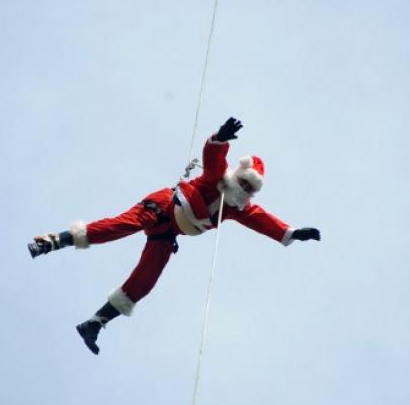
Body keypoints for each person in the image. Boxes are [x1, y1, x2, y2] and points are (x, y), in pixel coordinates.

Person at [29, 117, 321, 354]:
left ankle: (95, 322)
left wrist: (291, 233)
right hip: (164, 207)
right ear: (236, 176)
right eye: (243, 182)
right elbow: (213, 158)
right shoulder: (216, 178)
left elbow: (263, 221)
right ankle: (56, 240)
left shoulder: (237, 209)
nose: (244, 189)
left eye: (250, 188)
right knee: (122, 225)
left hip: (170, 233)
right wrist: (219, 137)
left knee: (147, 277)